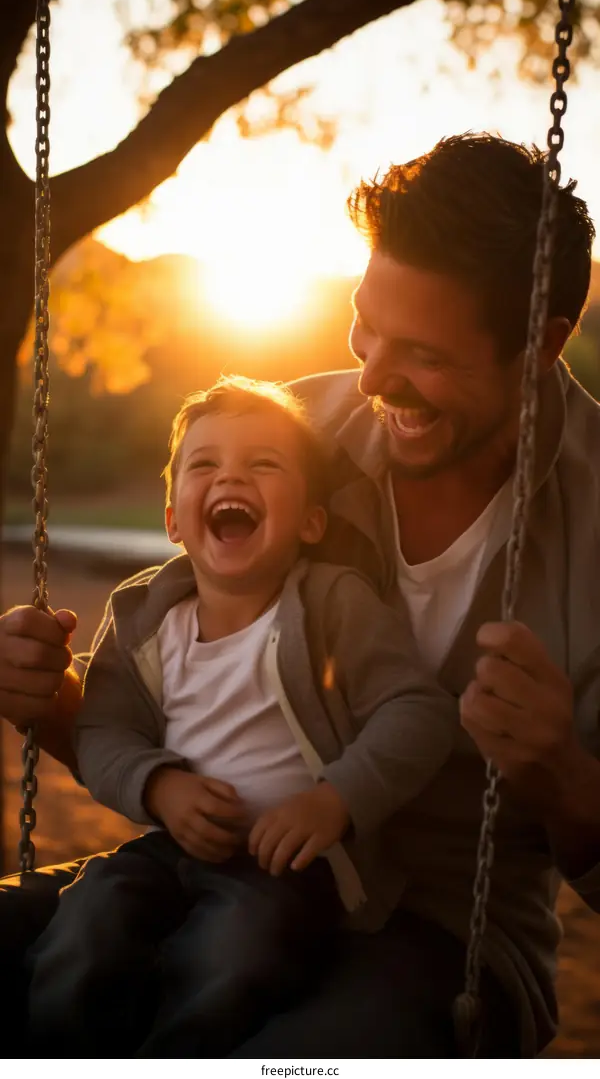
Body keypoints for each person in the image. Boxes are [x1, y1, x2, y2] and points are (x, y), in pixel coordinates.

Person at [1, 131, 599, 1059]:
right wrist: (49, 700)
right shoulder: (282, 438)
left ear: (542, 342)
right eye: (366, 328)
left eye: (422, 353)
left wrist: (563, 775)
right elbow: (167, 711)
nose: (369, 378)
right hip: (210, 873)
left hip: (445, 936)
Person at [25, 376, 456, 1058]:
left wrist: (334, 800)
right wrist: (159, 786)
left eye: (263, 464)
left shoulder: (333, 603)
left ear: (311, 521)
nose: (232, 476)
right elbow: (105, 730)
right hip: (170, 846)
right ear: (173, 519)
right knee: (88, 921)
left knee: (233, 953)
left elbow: (419, 712)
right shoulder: (143, 617)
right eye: (205, 465)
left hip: (286, 864)